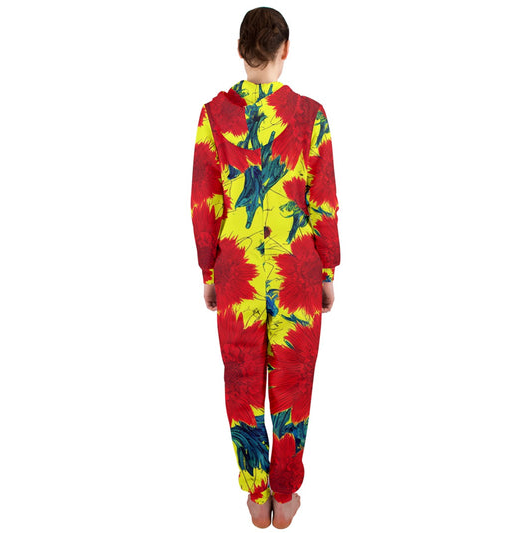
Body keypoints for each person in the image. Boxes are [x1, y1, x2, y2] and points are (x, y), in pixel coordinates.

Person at [190, 7, 340, 529]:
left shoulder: (214, 116)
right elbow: (323, 202)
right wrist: (327, 271)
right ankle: (285, 492)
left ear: (240, 50)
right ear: (286, 50)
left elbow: (205, 202)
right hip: (298, 267)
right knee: (294, 382)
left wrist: (209, 273)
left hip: (237, 271)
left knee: (242, 379)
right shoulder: (310, 116)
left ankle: (257, 495)